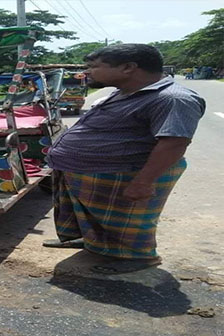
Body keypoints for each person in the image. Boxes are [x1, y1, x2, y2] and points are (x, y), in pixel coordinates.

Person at [43, 44, 205, 274]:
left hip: (125, 170)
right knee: (97, 215)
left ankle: (136, 257)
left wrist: (143, 182)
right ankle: (95, 242)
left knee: (127, 220)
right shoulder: (125, 91)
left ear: (128, 67)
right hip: (92, 169)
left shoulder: (172, 98)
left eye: (94, 67)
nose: (88, 72)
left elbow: (174, 143)